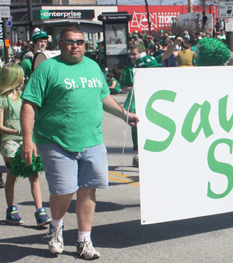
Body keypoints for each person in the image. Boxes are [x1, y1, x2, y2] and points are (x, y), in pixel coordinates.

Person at [20, 26, 140, 259]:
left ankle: (84, 240)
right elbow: (29, 104)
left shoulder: (93, 67)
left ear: (86, 44)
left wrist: (124, 115)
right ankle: (56, 227)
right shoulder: (47, 68)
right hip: (56, 141)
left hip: (92, 140)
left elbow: (104, 97)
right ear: (60, 44)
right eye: (69, 42)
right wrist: (27, 139)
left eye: (79, 42)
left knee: (88, 190)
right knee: (64, 190)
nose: (75, 46)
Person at [0, 63, 51, 226]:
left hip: (28, 141)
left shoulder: (24, 96)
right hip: (10, 143)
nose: (24, 78)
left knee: (34, 175)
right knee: (12, 176)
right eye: (21, 75)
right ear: (13, 77)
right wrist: (17, 132)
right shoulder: (2, 99)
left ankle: (40, 212)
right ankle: (12, 210)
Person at [121, 39, 181, 167]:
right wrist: (136, 87)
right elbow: (123, 87)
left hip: (153, 100)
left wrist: (175, 43)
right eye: (130, 54)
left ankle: (155, 153)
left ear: (142, 54)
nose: (132, 57)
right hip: (136, 102)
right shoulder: (128, 68)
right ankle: (137, 155)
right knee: (136, 127)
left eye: (134, 54)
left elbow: (166, 54)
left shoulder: (149, 62)